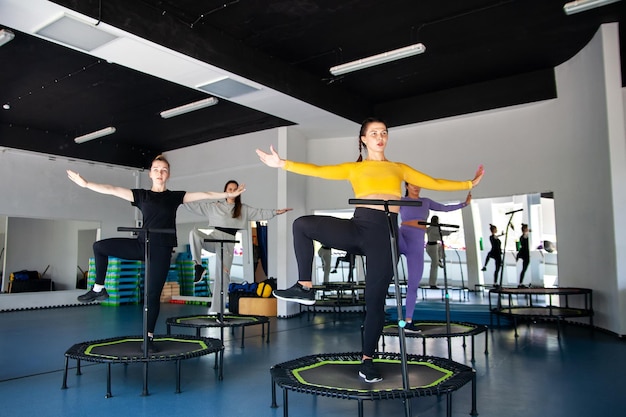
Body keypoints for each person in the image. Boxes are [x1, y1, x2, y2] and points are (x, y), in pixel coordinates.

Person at [256, 117, 484, 383]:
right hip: (358, 227)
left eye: (384, 132)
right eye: (374, 133)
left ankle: (367, 361)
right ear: (363, 139)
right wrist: (282, 163)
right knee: (302, 225)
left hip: (384, 237)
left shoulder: (399, 168)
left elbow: (433, 181)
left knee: (374, 303)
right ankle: (304, 286)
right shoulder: (354, 169)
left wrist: (468, 184)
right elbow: (318, 170)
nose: (380, 136)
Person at [67, 155, 245, 350]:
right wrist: (85, 184)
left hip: (161, 250)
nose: (160, 173)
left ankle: (148, 338)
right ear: (150, 173)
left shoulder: (175, 196)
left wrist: (227, 195)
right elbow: (112, 189)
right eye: (156, 169)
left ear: (168, 174)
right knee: (99, 247)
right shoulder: (141, 195)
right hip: (142, 244)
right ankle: (99, 289)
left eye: (164, 170)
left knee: (152, 295)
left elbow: (203, 193)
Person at [184, 179, 292, 314]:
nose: (232, 191)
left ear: (239, 192)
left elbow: (260, 212)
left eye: (235, 189)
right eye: (230, 189)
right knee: (194, 233)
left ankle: (218, 311)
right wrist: (180, 199)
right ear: (225, 192)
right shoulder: (215, 206)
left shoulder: (243, 209)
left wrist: (276, 212)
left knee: (222, 278)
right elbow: (196, 207)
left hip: (228, 243)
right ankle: (198, 265)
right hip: (213, 237)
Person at [398, 183, 471, 330]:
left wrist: (464, 204)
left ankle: (408, 321)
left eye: (419, 185)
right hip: (402, 237)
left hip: (417, 244)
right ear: (406, 185)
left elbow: (445, 208)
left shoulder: (426, 201)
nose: (417, 187)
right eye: (413, 185)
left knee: (414, 284)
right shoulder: (400, 200)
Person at [424, 215, 458, 289]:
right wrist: (452, 231)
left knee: (440, 245)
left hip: (432, 246)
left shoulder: (429, 228)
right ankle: (432, 283)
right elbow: (443, 232)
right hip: (432, 247)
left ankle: (439, 259)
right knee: (434, 265)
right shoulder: (434, 229)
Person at [517, 223, 531, 287]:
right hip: (525, 255)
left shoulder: (524, 236)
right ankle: (520, 283)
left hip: (526, 254)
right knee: (524, 269)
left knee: (524, 269)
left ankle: (521, 282)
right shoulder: (523, 237)